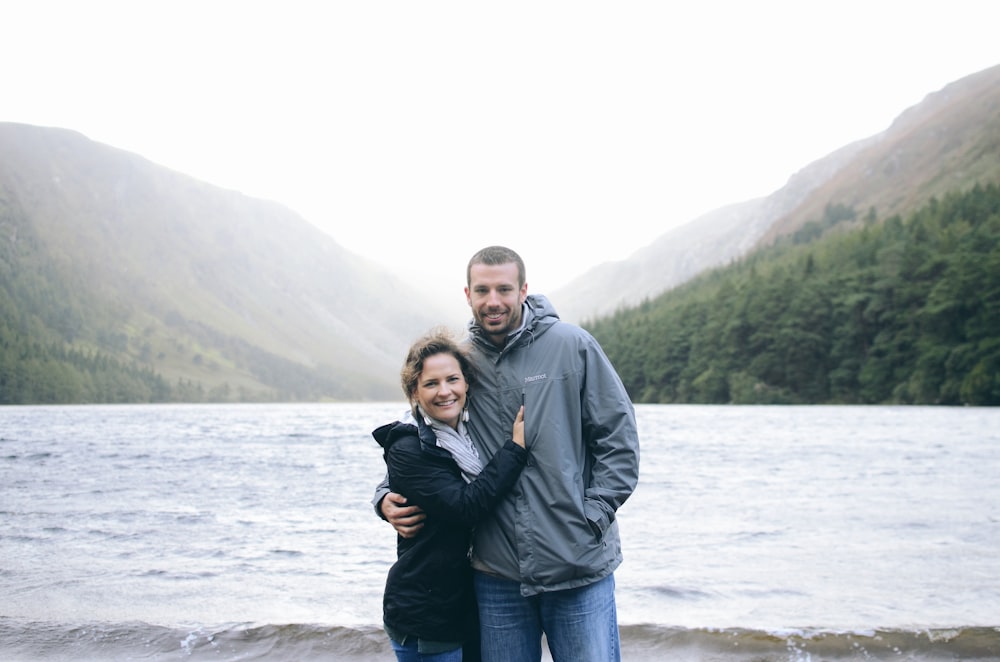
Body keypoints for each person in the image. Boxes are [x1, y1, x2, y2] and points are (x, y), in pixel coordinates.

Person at [374, 246, 640, 662]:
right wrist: (384, 496)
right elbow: (422, 433)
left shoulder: (572, 345)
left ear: (523, 290)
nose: (493, 300)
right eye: (482, 290)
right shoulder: (463, 362)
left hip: (577, 562)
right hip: (496, 575)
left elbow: (618, 437)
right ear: (468, 294)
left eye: (503, 289)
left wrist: (595, 513)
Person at [373, 326, 528, 662]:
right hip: (426, 612)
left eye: (452, 380)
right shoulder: (408, 445)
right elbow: (465, 506)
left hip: (464, 605)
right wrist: (515, 449)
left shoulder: (469, 432)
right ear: (414, 391)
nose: (445, 392)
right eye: (431, 383)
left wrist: (381, 498)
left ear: (466, 383)